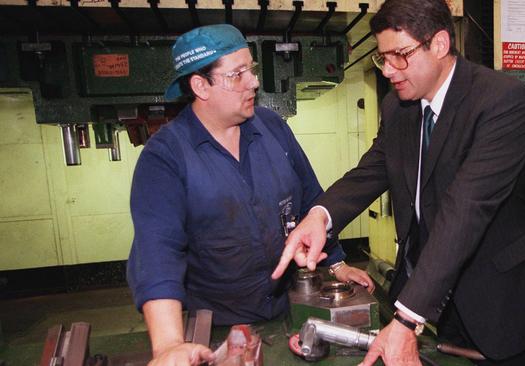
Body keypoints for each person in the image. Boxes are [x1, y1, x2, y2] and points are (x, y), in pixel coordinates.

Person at [272, 0, 525, 365]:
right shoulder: (398, 108)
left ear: (439, 45)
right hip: (435, 295)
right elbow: (371, 171)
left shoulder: (500, 100)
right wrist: (319, 216)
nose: (388, 70)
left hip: (499, 297)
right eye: (382, 58)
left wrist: (405, 317)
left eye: (399, 55)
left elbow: (465, 209)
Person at [126, 24, 374, 366]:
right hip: (219, 328)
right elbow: (156, 252)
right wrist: (169, 344)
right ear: (201, 86)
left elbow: (311, 202)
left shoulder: (272, 128)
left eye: (252, 70)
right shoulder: (165, 156)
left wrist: (337, 262)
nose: (254, 82)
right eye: (237, 74)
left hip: (294, 308)